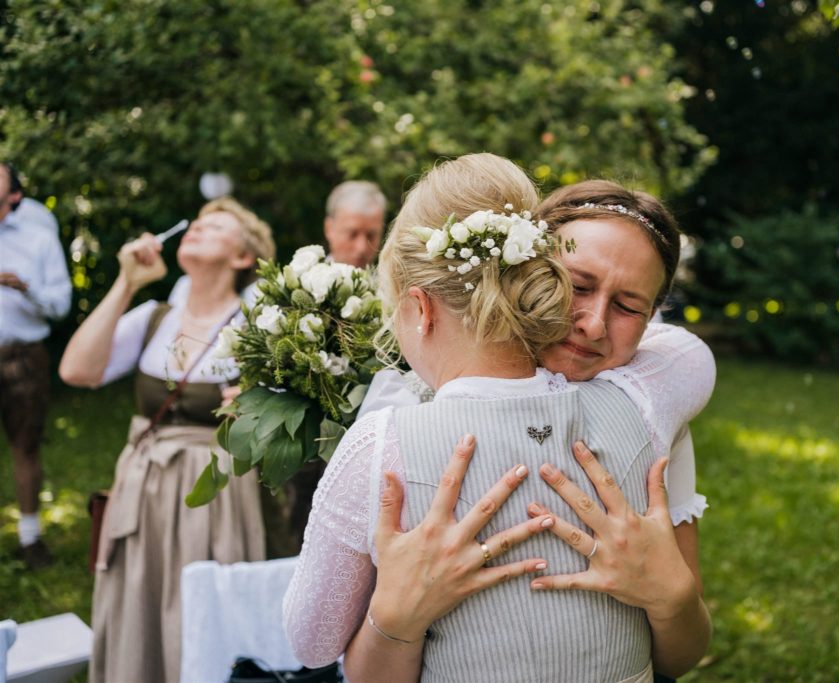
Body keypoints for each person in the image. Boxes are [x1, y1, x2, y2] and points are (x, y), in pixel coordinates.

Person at [284, 154, 713, 681]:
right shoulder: (643, 401)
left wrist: (671, 596)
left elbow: (681, 654)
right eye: (576, 285)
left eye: (629, 307)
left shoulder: (649, 408)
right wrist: (396, 617)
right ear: (528, 275)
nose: (593, 325)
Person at [59, 197, 274, 683]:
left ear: (243, 257)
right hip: (144, 485)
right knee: (141, 598)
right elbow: (77, 370)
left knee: (200, 611)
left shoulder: (260, 327)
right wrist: (127, 283)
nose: (195, 229)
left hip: (213, 497)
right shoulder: (157, 317)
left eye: (214, 226)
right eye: (194, 223)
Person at [0, 161, 71, 569]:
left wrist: (25, 288)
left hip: (22, 358)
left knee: (25, 446)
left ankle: (30, 539)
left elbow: (60, 305)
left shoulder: (39, 239)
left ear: (14, 195)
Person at [323, 180, 386, 267]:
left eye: (371, 236)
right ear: (329, 229)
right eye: (352, 234)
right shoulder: (303, 278)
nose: (361, 248)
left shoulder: (390, 280)